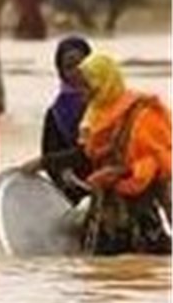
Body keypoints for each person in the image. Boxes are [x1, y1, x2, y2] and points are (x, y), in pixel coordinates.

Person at [73, 53, 171, 255]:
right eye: (79, 86)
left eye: (87, 85)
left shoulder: (141, 114)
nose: (81, 92)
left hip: (140, 211)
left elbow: (157, 163)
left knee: (141, 269)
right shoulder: (94, 114)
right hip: (104, 212)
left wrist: (119, 172)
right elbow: (86, 154)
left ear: (103, 82)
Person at [21, 36, 94, 203]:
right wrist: (63, 176)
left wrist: (43, 162)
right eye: (69, 66)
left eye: (81, 64)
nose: (76, 71)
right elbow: (51, 152)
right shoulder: (56, 113)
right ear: (60, 72)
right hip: (75, 193)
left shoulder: (109, 104)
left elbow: (95, 149)